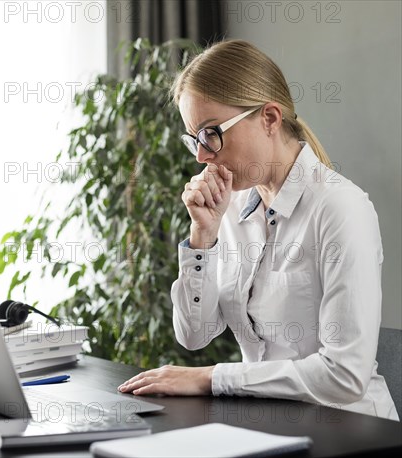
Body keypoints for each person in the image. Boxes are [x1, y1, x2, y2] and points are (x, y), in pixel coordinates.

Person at [117, 39, 398, 421]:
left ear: (269, 118)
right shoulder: (230, 208)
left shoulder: (340, 209)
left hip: (349, 426)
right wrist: (203, 238)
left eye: (211, 132)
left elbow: (344, 376)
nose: (201, 155)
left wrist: (213, 378)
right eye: (194, 138)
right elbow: (193, 335)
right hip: (270, 421)